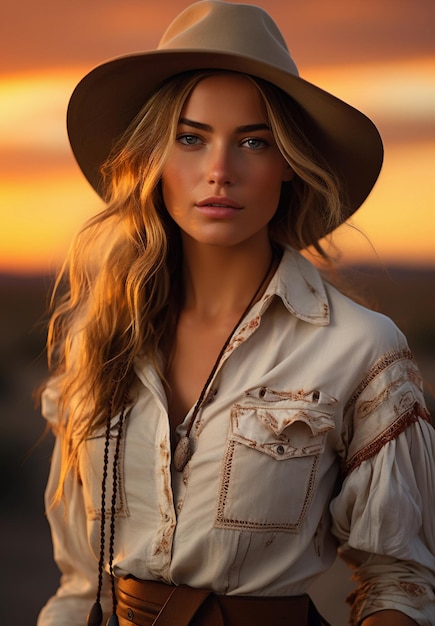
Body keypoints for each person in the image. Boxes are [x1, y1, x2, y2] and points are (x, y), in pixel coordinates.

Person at [37, 1, 435, 625]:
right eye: (190, 139)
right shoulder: (101, 338)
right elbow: (78, 583)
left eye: (254, 141)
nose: (219, 171)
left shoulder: (360, 347)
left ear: (288, 168)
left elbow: (399, 582)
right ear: (152, 161)